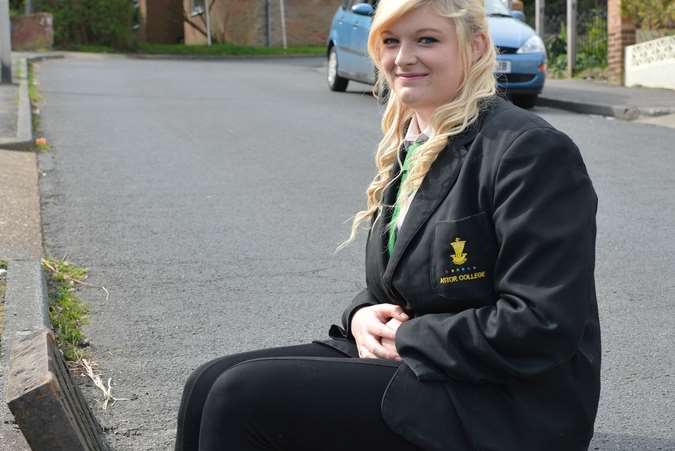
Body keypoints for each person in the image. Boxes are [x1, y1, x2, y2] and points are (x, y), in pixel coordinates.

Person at [174, 0, 601, 449]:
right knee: (206, 384)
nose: (403, 57)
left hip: (502, 400)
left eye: (427, 40)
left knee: (242, 396)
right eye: (391, 41)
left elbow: (541, 324)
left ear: (475, 46)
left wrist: (407, 336)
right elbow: (404, 282)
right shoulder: (416, 144)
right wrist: (360, 316)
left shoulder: (527, 151)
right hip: (427, 362)